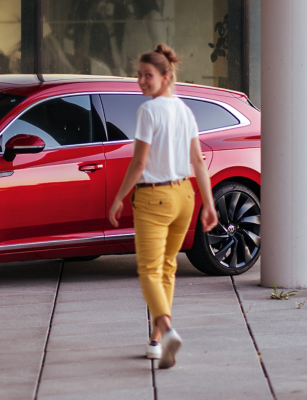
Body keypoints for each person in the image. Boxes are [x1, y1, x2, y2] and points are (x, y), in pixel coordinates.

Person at [108, 44, 218, 369]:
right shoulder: (185, 110)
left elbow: (139, 162)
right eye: (139, 75)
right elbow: (198, 161)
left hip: (155, 198)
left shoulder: (148, 111)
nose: (141, 81)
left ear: (166, 77)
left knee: (148, 271)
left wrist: (118, 197)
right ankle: (156, 341)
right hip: (185, 196)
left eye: (148, 76)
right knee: (167, 267)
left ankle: (167, 331)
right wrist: (208, 205)